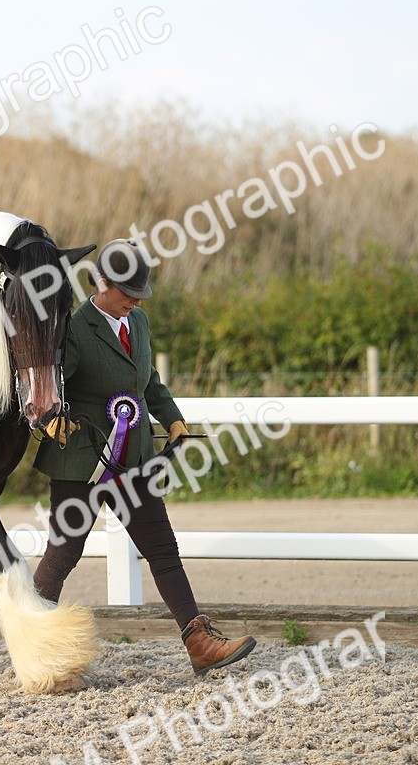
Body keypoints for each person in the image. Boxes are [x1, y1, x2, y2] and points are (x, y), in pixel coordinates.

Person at [32, 239, 256, 677]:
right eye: (127, 291)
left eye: (140, 291)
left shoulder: (139, 323)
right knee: (64, 552)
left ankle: (198, 642)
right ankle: (31, 639)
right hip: (84, 459)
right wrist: (49, 420)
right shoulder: (74, 329)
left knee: (161, 547)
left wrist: (173, 419)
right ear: (100, 282)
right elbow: (49, 383)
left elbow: (148, 381)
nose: (136, 299)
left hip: (134, 457)